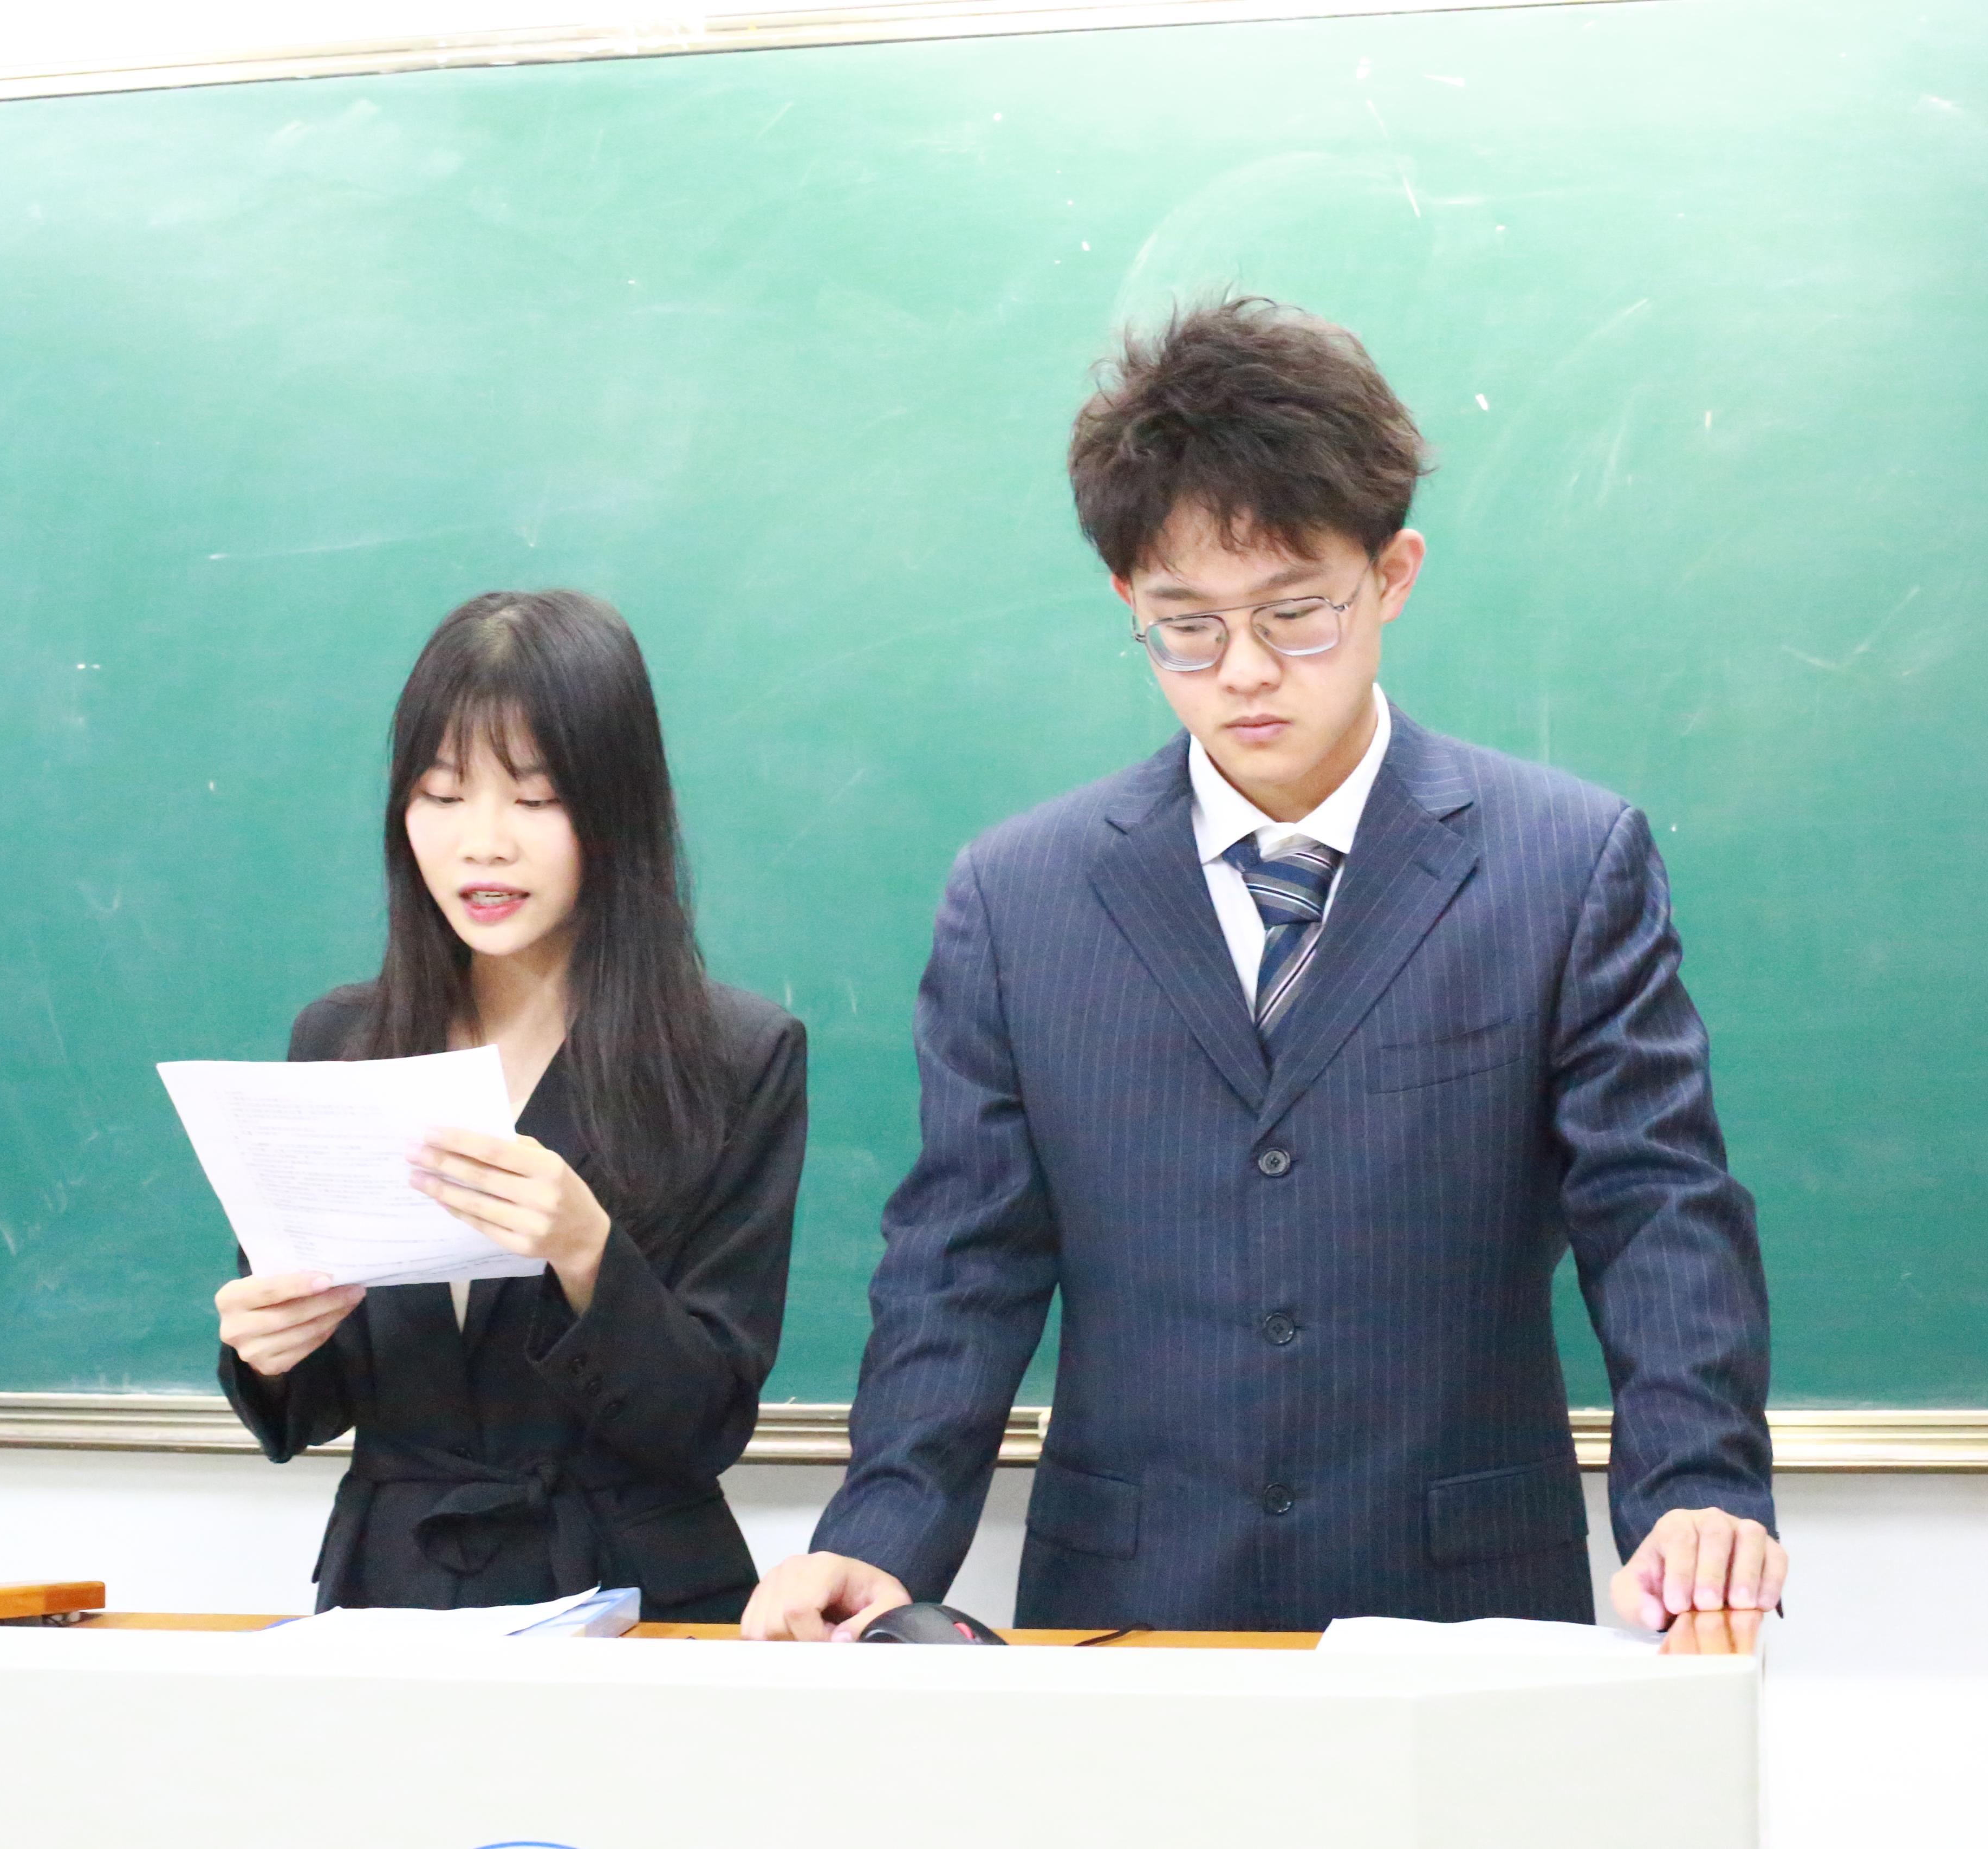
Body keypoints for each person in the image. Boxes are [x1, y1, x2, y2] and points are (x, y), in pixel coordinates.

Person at [747, 300, 1784, 1640]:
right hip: (1129, 1604)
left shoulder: (1564, 862)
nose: (1243, 673)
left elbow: (1657, 1209)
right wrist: (879, 1537)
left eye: (1295, 614)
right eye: (1184, 626)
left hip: (1462, 1604)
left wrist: (1696, 1491)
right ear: (1126, 601)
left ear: (1392, 574)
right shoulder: (1020, 898)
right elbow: (961, 1262)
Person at [216, 589, 806, 1619]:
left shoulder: (734, 1055)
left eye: (534, 800)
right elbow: (309, 1405)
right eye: (442, 795)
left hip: (639, 1598)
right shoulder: (342, 1041)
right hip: (394, 1598)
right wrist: (265, 1349)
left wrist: (587, 1251)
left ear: (617, 810)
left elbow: (705, 1423)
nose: (482, 844)